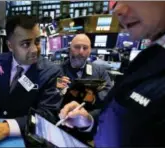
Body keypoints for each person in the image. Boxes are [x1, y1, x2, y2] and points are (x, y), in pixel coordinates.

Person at [59, 1, 165, 147]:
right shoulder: (149, 57)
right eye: (114, 4)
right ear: (69, 49)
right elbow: (117, 118)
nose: (117, 11)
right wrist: (89, 120)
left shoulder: (100, 70)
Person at [0, 14, 63, 142]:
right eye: (26, 44)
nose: (34, 50)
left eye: (37, 41)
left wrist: (6, 128)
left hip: (27, 140)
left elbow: (48, 116)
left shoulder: (52, 73)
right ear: (10, 46)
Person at [56, 34, 112, 141]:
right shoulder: (56, 71)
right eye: (77, 47)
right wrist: (57, 90)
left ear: (90, 50)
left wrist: (87, 112)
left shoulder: (100, 71)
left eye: (85, 48)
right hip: (62, 128)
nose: (81, 51)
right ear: (69, 49)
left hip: (89, 129)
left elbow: (108, 98)